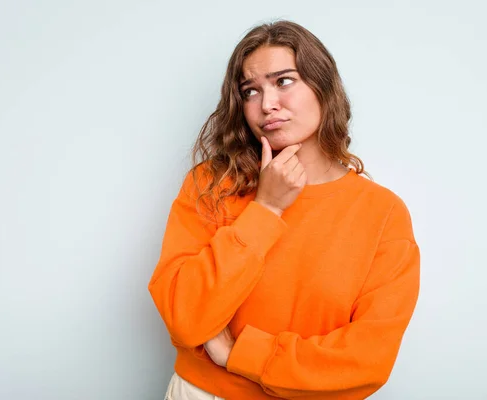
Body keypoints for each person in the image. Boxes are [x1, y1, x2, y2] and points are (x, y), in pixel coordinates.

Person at [148, 20, 420, 400]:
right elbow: (184, 318)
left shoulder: (382, 212)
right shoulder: (212, 185)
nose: (267, 104)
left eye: (284, 81)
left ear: (323, 86)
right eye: (250, 91)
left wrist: (238, 355)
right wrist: (266, 208)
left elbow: (367, 360)